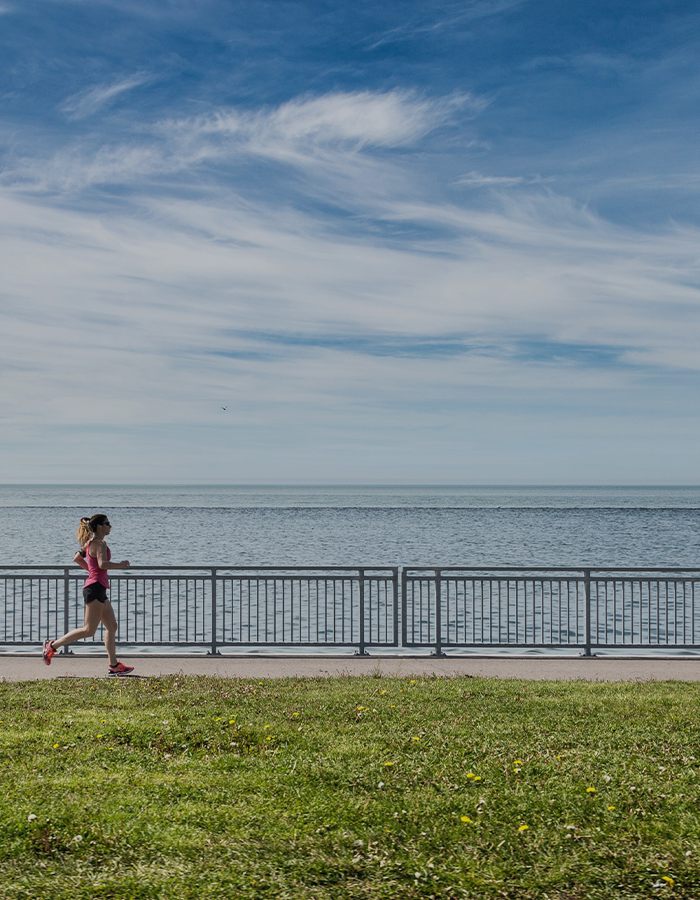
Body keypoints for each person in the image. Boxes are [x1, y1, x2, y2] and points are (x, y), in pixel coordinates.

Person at [43, 514, 134, 675]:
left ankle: (113, 665)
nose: (110, 526)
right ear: (99, 526)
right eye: (107, 523)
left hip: (98, 588)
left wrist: (91, 571)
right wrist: (120, 565)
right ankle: (52, 646)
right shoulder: (100, 544)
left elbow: (77, 558)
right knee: (88, 630)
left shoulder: (90, 543)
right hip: (95, 589)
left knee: (112, 626)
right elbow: (102, 564)